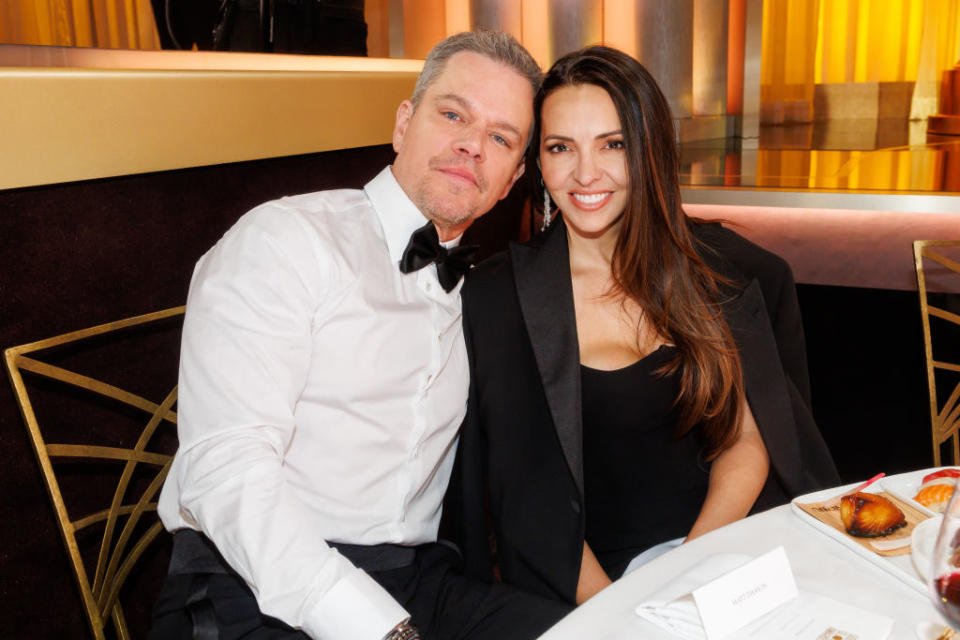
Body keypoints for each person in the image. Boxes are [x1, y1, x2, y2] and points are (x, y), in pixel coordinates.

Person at [149, 31, 572, 640]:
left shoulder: (485, 294)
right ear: (404, 124)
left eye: (501, 138)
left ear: (511, 180)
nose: (472, 145)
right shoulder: (285, 241)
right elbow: (227, 471)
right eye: (453, 114)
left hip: (416, 578)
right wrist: (371, 623)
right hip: (248, 582)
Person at [444, 46, 841, 607]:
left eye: (613, 144)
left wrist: (689, 576)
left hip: (723, 554)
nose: (586, 173)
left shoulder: (714, 268)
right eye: (561, 147)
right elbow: (529, 498)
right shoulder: (499, 298)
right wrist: (625, 614)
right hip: (594, 590)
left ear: (648, 149)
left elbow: (746, 442)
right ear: (538, 162)